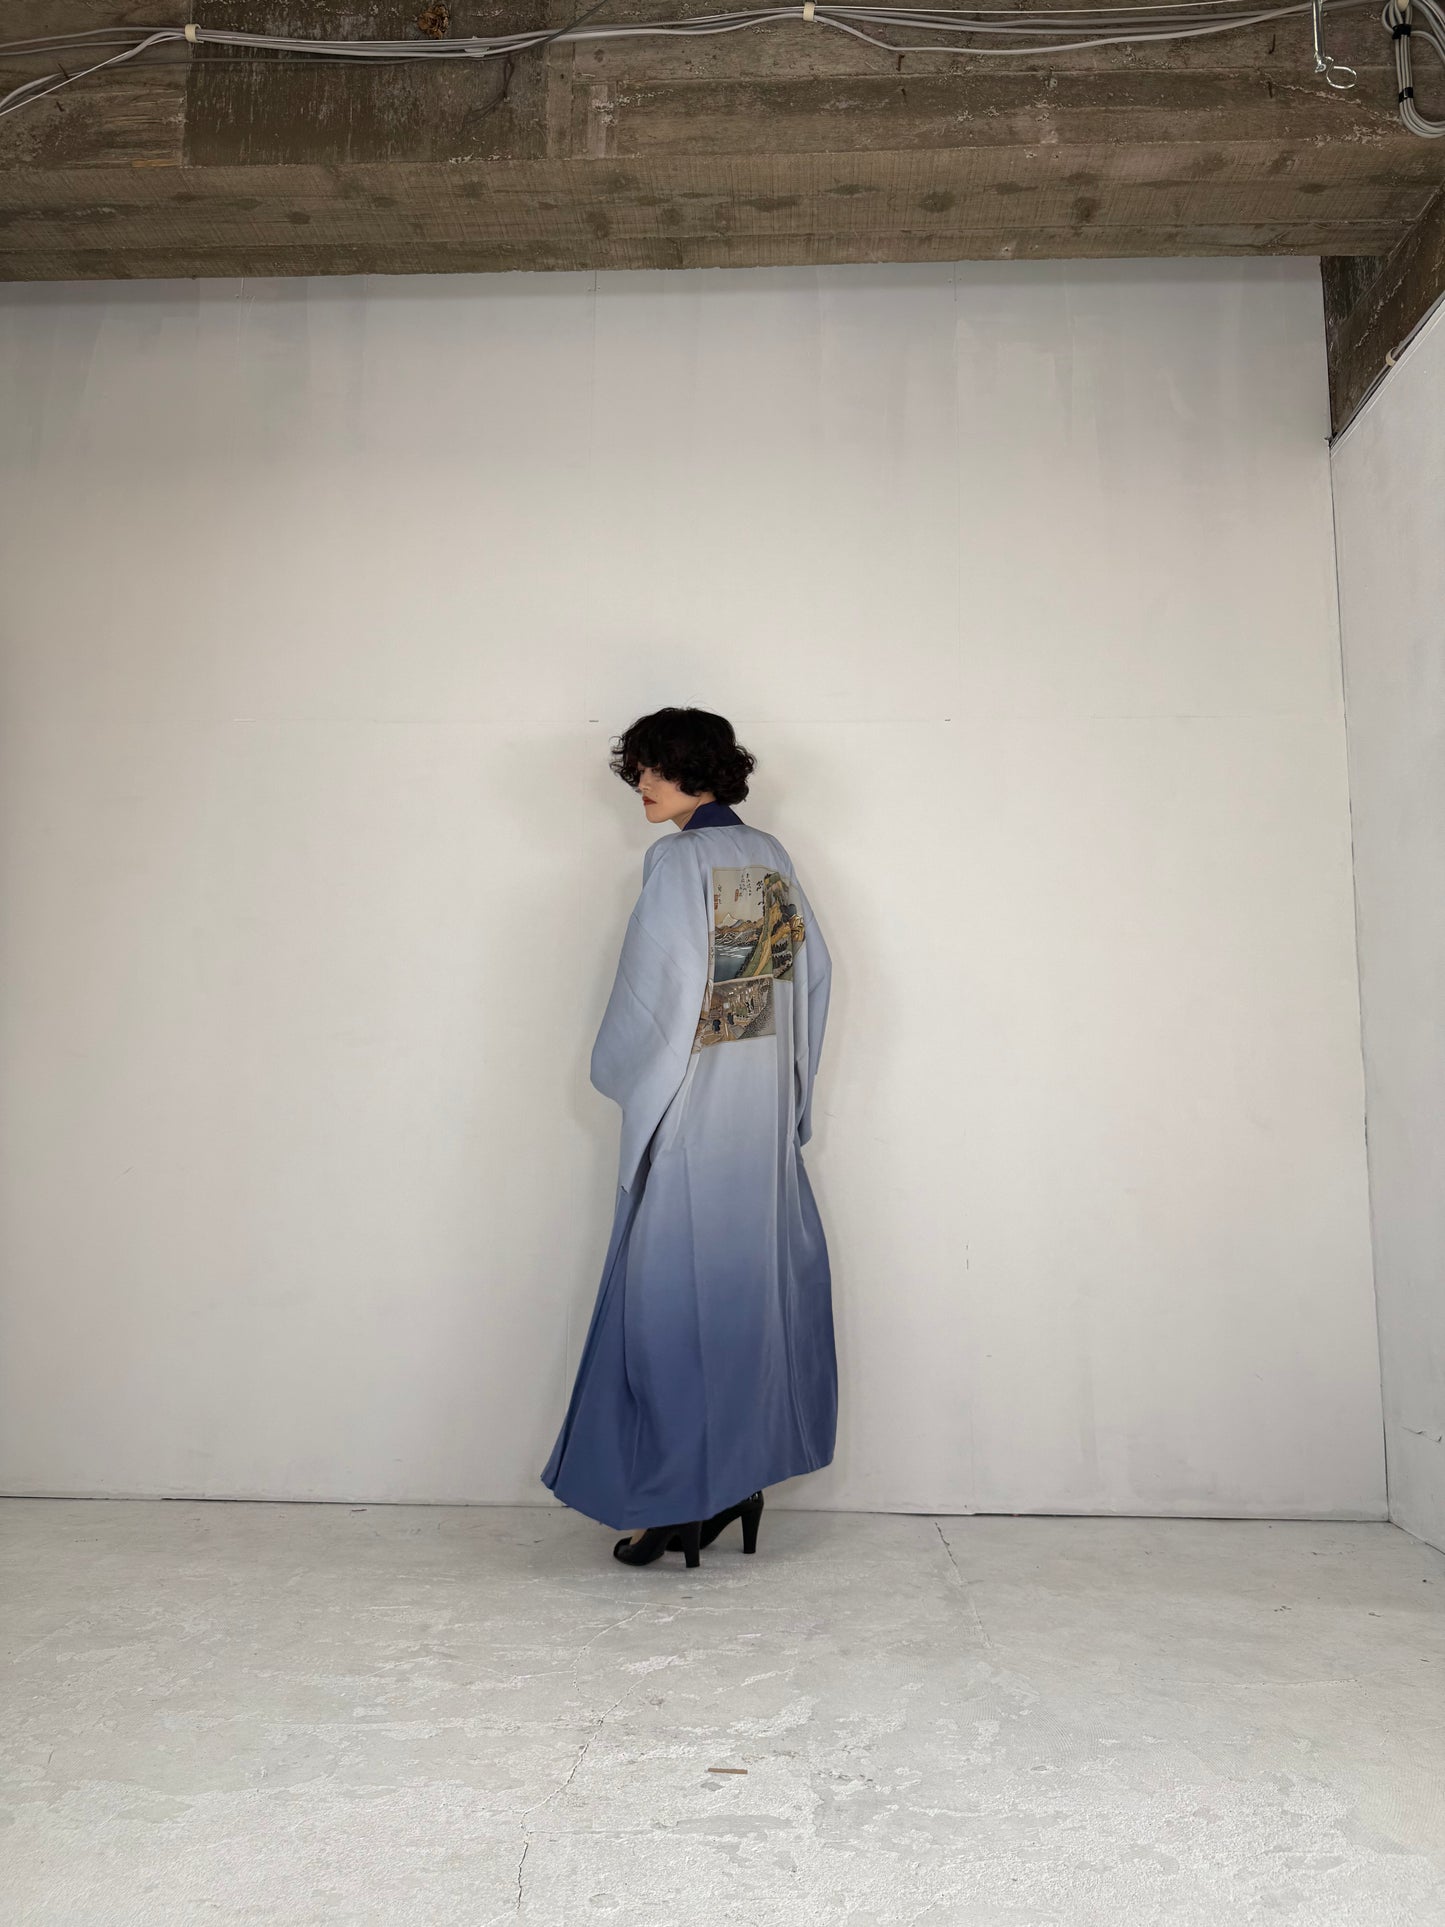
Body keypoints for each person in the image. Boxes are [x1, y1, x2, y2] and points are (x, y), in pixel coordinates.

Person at [540, 706, 836, 1567]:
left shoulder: (676, 862)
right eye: (637, 769)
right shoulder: (766, 854)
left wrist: (625, 1075)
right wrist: (784, 1092)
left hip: (695, 1105)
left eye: (654, 768)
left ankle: (677, 1495)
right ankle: (730, 1481)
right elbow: (805, 977)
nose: (641, 784)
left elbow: (661, 994)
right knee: (741, 1293)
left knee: (665, 1302)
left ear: (693, 769)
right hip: (756, 1108)